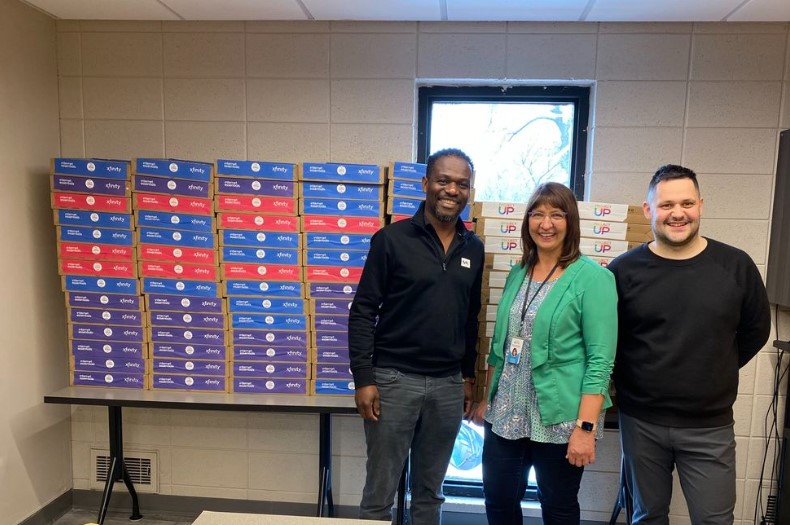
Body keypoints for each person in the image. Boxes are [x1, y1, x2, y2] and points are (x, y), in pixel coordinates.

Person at [607, 164, 771, 524]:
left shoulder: (736, 266)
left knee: (714, 521)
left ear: (700, 205)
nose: (677, 213)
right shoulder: (622, 271)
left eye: (686, 203)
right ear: (649, 210)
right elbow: (608, 341)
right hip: (641, 422)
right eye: (666, 205)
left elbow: (755, 331)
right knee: (647, 517)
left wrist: (714, 366)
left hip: (709, 427)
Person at [348, 148, 484, 524]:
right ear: (426, 184)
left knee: (430, 493)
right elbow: (362, 312)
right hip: (394, 382)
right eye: (443, 180)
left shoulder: (474, 247)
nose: (452, 190)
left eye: (461, 184)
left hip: (447, 387)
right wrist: (364, 378)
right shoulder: (391, 240)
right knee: (380, 491)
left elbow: (470, 318)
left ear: (468, 191)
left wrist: (467, 377)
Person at [471, 182, 618, 525]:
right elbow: (501, 345)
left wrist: (585, 428)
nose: (546, 223)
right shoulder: (517, 273)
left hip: (560, 419)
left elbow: (600, 360)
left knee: (558, 506)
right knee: (498, 499)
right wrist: (487, 398)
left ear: (571, 222)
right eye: (537, 213)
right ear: (527, 222)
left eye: (556, 214)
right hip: (506, 415)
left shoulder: (594, 278)